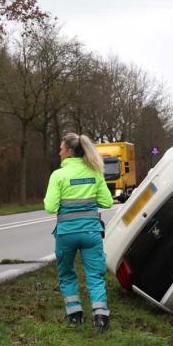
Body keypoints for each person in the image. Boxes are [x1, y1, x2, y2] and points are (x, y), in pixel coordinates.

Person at [43, 133, 114, 332]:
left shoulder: (58, 175)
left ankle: (75, 316)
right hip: (91, 233)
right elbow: (107, 202)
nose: (59, 152)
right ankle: (100, 318)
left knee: (66, 274)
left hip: (66, 234)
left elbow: (50, 207)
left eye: (61, 148)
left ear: (70, 151)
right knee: (95, 275)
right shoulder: (94, 172)